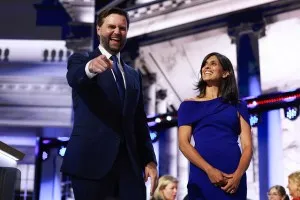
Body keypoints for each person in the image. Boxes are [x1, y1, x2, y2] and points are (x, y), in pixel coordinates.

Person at [61, 7, 158, 200]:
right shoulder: (82, 60)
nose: (117, 32)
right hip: (91, 165)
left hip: (129, 168)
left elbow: (139, 121)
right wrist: (90, 68)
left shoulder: (133, 75)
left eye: (122, 28)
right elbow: (74, 77)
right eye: (111, 27)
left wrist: (149, 160)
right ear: (98, 29)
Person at [178, 52, 253, 200]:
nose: (206, 66)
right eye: (205, 64)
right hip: (202, 173)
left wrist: (238, 176)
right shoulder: (188, 105)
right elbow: (183, 144)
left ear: (226, 73)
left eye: (213, 63)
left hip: (233, 177)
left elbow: (248, 147)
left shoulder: (238, 105)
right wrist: (209, 170)